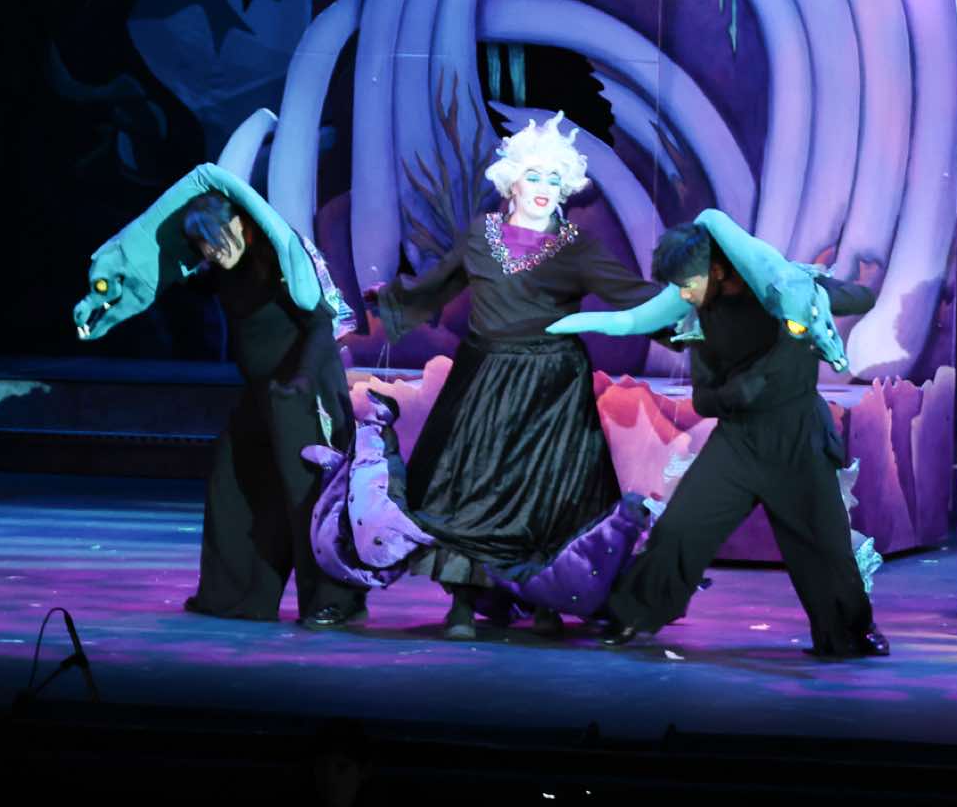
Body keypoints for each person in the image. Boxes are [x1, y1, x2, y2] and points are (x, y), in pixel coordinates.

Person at [368, 113, 661, 640]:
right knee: (467, 489)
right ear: (513, 183)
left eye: (554, 179)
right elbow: (437, 284)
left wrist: (687, 307)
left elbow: (631, 296)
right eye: (534, 176)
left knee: (553, 497)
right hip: (484, 382)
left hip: (553, 391)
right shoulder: (481, 237)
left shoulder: (577, 246)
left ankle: (547, 600)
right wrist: (391, 300)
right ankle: (463, 605)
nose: (544, 188)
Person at [593, 220, 889, 658]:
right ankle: (630, 616)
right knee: (680, 528)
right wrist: (737, 392)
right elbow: (705, 399)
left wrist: (815, 292)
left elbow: (861, 296)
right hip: (739, 441)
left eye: (688, 283)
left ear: (715, 270)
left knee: (824, 545)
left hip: (798, 439)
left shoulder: (779, 289)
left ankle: (850, 633)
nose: (683, 294)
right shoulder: (702, 315)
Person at [177, 189, 369, 630]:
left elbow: (320, 323)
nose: (211, 250)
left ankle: (336, 602)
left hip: (302, 390)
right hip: (262, 393)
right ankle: (237, 596)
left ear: (241, 225)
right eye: (202, 243)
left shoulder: (281, 260)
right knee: (234, 485)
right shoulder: (221, 270)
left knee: (310, 497)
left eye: (215, 237)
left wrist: (301, 378)